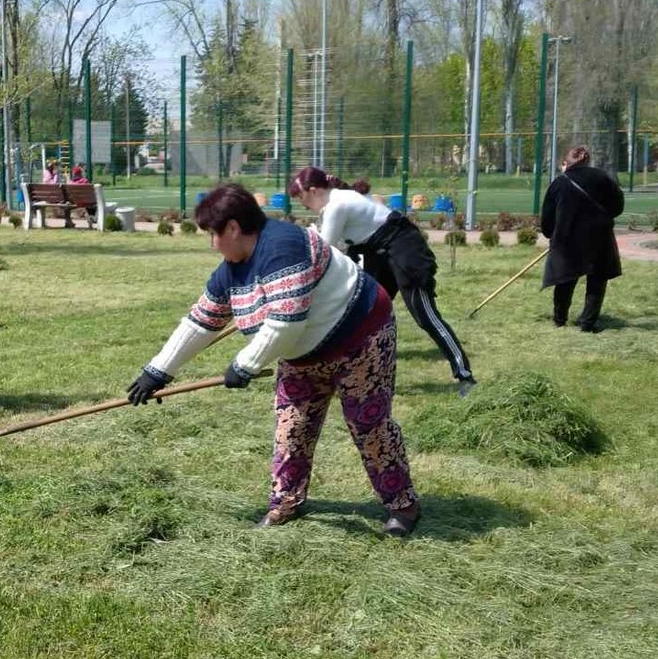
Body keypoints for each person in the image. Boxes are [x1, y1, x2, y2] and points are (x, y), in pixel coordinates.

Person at [127, 182, 420, 536]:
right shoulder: (231, 270)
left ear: (233, 228)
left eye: (213, 234)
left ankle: (403, 506)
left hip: (361, 338)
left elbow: (285, 323)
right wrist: (157, 372)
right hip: (304, 355)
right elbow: (200, 322)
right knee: (291, 429)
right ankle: (286, 502)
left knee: (368, 425)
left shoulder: (284, 246)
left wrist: (244, 365)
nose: (212, 244)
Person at [289, 166, 475, 396]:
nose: (302, 205)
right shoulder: (335, 200)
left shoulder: (337, 204)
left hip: (405, 248)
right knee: (364, 313)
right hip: (377, 252)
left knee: (425, 314)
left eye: (301, 198)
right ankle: (360, 378)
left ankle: (465, 376)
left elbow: (323, 251)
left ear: (314, 191)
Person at [540, 145, 625, 332]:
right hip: (599, 237)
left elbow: (547, 217)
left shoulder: (559, 183)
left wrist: (551, 234)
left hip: (567, 239)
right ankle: (588, 322)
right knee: (597, 279)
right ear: (587, 160)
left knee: (565, 278)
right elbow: (618, 205)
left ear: (566, 162)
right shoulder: (602, 178)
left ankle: (559, 319)